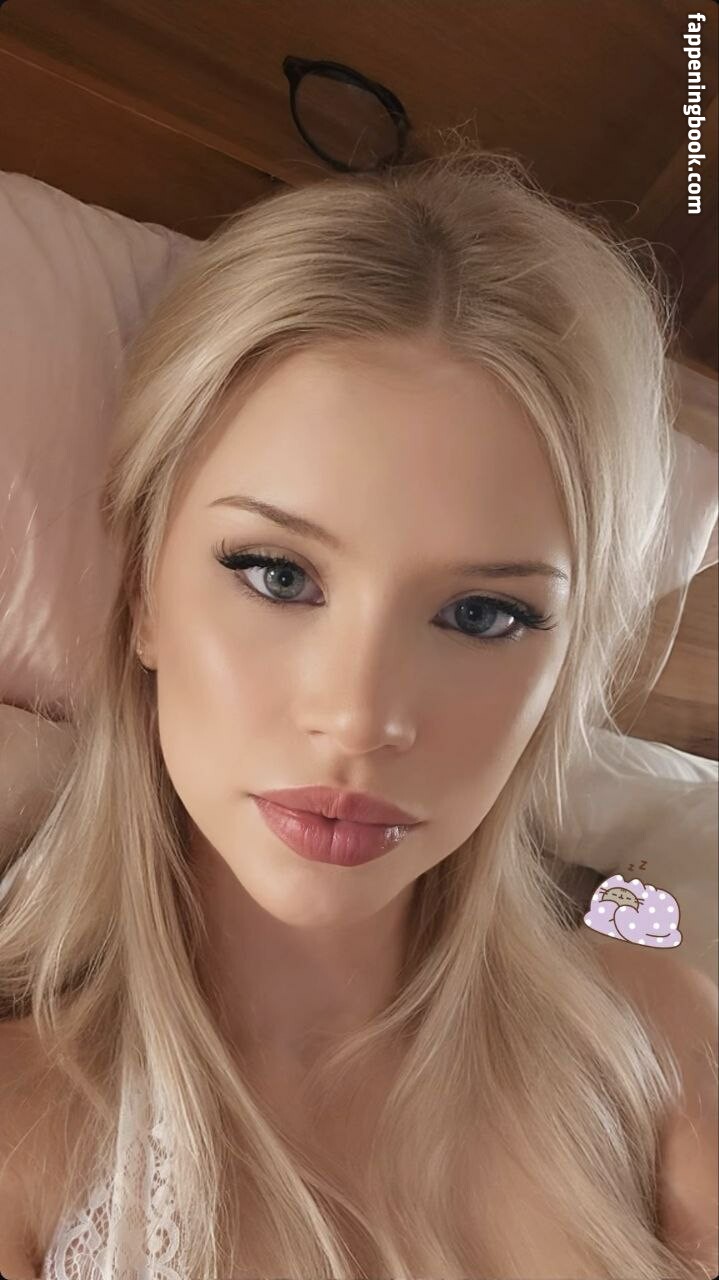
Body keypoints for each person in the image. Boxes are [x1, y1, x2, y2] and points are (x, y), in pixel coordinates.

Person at [0, 141, 716, 1280]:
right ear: (140, 592)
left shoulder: (655, 1026)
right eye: (277, 573)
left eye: (482, 613)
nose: (361, 716)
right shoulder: (21, 1134)